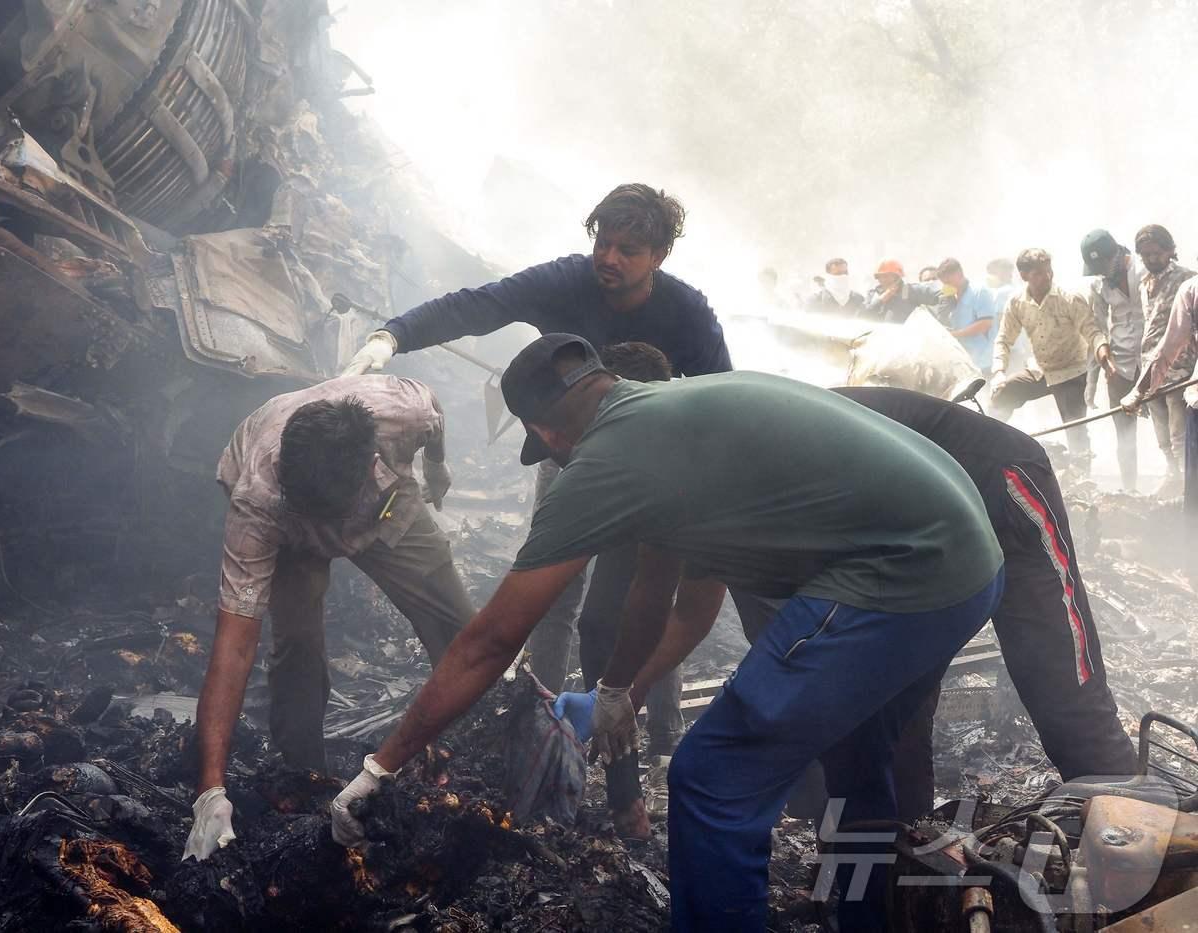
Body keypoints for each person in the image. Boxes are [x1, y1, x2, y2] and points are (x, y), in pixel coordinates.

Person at [331, 334, 1005, 931]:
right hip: (966, 563)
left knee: (712, 780)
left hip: (898, 577)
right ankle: (867, 918)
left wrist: (380, 764)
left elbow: (491, 639)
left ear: (551, 433)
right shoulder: (674, 417)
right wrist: (618, 690)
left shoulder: (606, 461)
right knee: (858, 763)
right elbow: (673, 599)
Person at [342, 183, 731, 699]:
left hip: (645, 468)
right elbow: (480, 306)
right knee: (553, 590)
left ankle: (653, 725)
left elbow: (719, 398)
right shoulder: (566, 281)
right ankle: (546, 714)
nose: (608, 259)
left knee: (640, 598)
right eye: (602, 244)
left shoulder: (686, 312)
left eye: (628, 251)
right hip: (565, 452)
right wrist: (391, 337)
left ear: (658, 256)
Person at [734, 384, 1137, 821]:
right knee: (890, 702)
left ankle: (1144, 844)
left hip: (993, 484)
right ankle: (901, 857)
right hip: (908, 533)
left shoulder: (739, 483)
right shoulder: (724, 513)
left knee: (1059, 682)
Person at [183, 376, 474, 861]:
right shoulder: (257, 503)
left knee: (460, 627)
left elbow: (435, 414)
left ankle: (456, 754)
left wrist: (438, 465)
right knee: (296, 643)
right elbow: (233, 649)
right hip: (287, 527)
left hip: (383, 508)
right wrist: (209, 790)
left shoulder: (403, 412)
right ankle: (306, 779)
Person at [551, 342, 686, 838]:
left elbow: (687, 604)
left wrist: (625, 689)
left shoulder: (680, 452)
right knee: (599, 623)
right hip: (653, 513)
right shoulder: (627, 456)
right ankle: (627, 801)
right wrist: (615, 693)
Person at [991, 248, 1113, 461]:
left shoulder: (1069, 299)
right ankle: (991, 446)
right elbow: (1004, 339)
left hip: (1072, 372)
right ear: (1024, 276)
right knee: (1004, 394)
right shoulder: (1017, 302)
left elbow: (1092, 331)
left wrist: (1104, 356)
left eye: (1048, 271)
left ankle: (1082, 477)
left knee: (1074, 427)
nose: (1046, 277)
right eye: (1038, 273)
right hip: (1040, 370)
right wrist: (999, 371)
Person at [1131, 225, 1196, 493]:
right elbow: (1148, 325)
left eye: (1156, 253)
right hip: (1151, 364)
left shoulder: (1187, 280)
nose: (1151, 259)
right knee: (1161, 432)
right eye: (1145, 254)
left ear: (1169, 250)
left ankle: (1185, 481)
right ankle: (1172, 474)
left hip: (1180, 367)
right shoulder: (1144, 282)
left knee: (1179, 431)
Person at [1082, 230, 1144, 491]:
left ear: (1117, 254)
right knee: (1124, 431)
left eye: (1104, 265)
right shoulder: (1098, 285)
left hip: (1157, 358)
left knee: (1171, 425)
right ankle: (1130, 488)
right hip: (1119, 364)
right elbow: (1096, 328)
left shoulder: (1144, 272)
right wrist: (1099, 369)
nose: (1102, 272)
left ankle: (1177, 481)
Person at [937, 257, 997, 375]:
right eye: (944, 283)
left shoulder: (979, 291)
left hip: (985, 360)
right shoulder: (951, 298)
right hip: (966, 361)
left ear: (959, 275)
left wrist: (954, 335)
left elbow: (985, 324)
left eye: (948, 282)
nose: (946, 286)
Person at [864, 259, 941, 324]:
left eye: (887, 276)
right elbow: (862, 316)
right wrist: (881, 300)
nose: (883, 280)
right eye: (880, 277)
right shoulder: (873, 295)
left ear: (898, 277)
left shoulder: (912, 291)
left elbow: (941, 297)